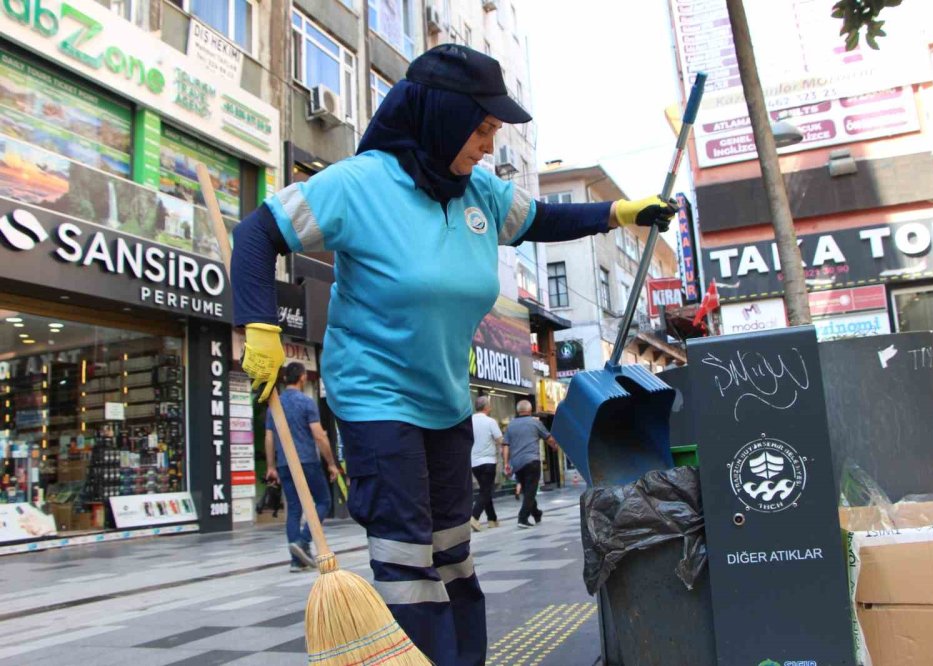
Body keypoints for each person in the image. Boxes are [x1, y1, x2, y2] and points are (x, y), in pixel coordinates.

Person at [231, 43, 676, 666]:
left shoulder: (479, 194)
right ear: (441, 115)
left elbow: (542, 218)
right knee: (407, 557)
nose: (490, 144)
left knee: (454, 553)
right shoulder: (359, 185)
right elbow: (257, 233)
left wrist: (617, 213)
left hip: (444, 400)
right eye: (484, 127)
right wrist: (259, 326)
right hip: (375, 395)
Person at [263, 362, 339, 572]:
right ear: (303, 378)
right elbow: (319, 435)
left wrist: (271, 466)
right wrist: (331, 463)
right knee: (324, 500)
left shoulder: (274, 405)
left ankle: (296, 561)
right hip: (306, 461)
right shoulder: (306, 402)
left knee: (294, 509)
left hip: (284, 463)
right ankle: (303, 541)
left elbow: (269, 437)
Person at [502, 401, 557, 529]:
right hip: (532, 461)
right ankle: (522, 518)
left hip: (517, 464)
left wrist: (506, 463)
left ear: (518, 411)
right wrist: (554, 446)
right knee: (530, 491)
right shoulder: (535, 422)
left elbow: (505, 446)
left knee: (527, 491)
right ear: (530, 410)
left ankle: (537, 513)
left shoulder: (511, 425)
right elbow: (549, 438)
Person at [470, 396, 503, 531]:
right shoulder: (490, 421)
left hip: (474, 462)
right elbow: (500, 439)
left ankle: (492, 519)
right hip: (488, 461)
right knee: (486, 490)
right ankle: (474, 517)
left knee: (485, 489)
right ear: (486, 407)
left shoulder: (469, 421)